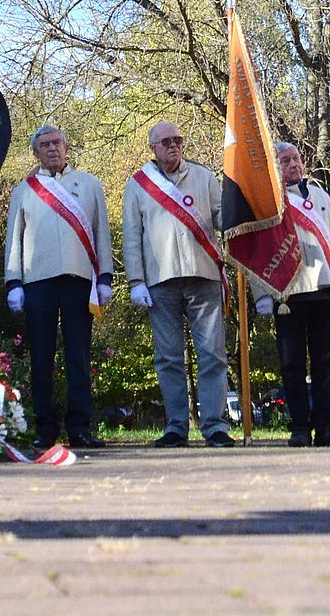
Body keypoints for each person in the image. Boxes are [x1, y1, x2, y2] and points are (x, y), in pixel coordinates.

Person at [123, 119, 234, 447]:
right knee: (168, 356)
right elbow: (132, 235)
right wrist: (135, 280)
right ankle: (176, 427)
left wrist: (242, 206)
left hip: (204, 275)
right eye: (166, 141)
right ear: (153, 149)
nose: (173, 145)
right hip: (160, 281)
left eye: (177, 140)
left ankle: (214, 426)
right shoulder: (138, 185)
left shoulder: (203, 176)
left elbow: (222, 218)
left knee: (212, 353)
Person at [4, 124, 113, 450]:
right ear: (36, 152)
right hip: (37, 282)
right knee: (41, 357)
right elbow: (14, 238)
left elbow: (101, 232)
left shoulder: (89, 184)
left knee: (79, 356)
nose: (52, 149)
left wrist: (105, 277)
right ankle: (46, 428)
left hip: (80, 280)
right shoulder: (24, 190)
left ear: (67, 148)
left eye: (57, 143)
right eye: (45, 145)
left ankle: (80, 428)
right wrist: (13, 282)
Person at [254, 142, 330, 447]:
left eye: (296, 159)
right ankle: (299, 426)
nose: (294, 164)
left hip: (324, 289)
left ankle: (325, 425)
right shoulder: (269, 203)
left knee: (326, 362)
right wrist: (261, 293)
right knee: (292, 363)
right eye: (285, 160)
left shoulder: (321, 195)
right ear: (275, 167)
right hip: (288, 293)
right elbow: (258, 251)